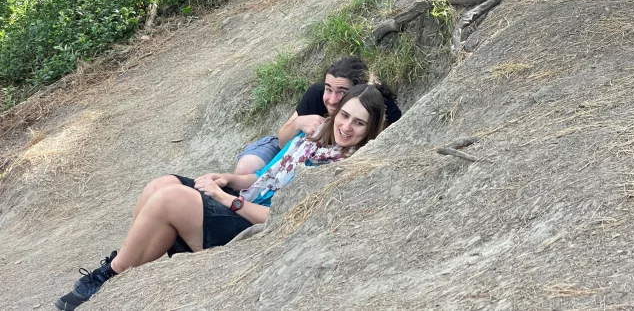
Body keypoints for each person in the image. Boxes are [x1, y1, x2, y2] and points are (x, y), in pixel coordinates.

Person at [55, 84, 387, 311]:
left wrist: (227, 199)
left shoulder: (342, 165)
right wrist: (227, 179)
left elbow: (286, 216)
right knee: (162, 183)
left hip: (253, 224)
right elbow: (260, 177)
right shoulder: (312, 138)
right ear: (336, 111)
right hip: (244, 200)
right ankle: (128, 255)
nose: (346, 126)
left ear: (369, 130)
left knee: (171, 198)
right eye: (345, 115)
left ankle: (108, 275)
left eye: (359, 124)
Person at [234, 56, 401, 174]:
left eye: (342, 92)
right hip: (291, 147)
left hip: (322, 159)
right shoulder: (316, 95)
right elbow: (282, 140)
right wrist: (298, 123)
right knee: (245, 169)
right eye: (328, 89)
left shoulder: (385, 112)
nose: (332, 100)